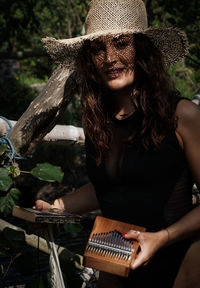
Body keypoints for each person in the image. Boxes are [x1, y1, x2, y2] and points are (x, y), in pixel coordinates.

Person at [35, 0, 200, 287]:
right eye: (99, 48)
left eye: (121, 43)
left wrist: (161, 238)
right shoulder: (97, 122)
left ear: (143, 49)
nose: (110, 58)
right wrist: (59, 205)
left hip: (180, 265)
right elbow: (113, 189)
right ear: (89, 58)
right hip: (115, 260)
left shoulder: (182, 115)